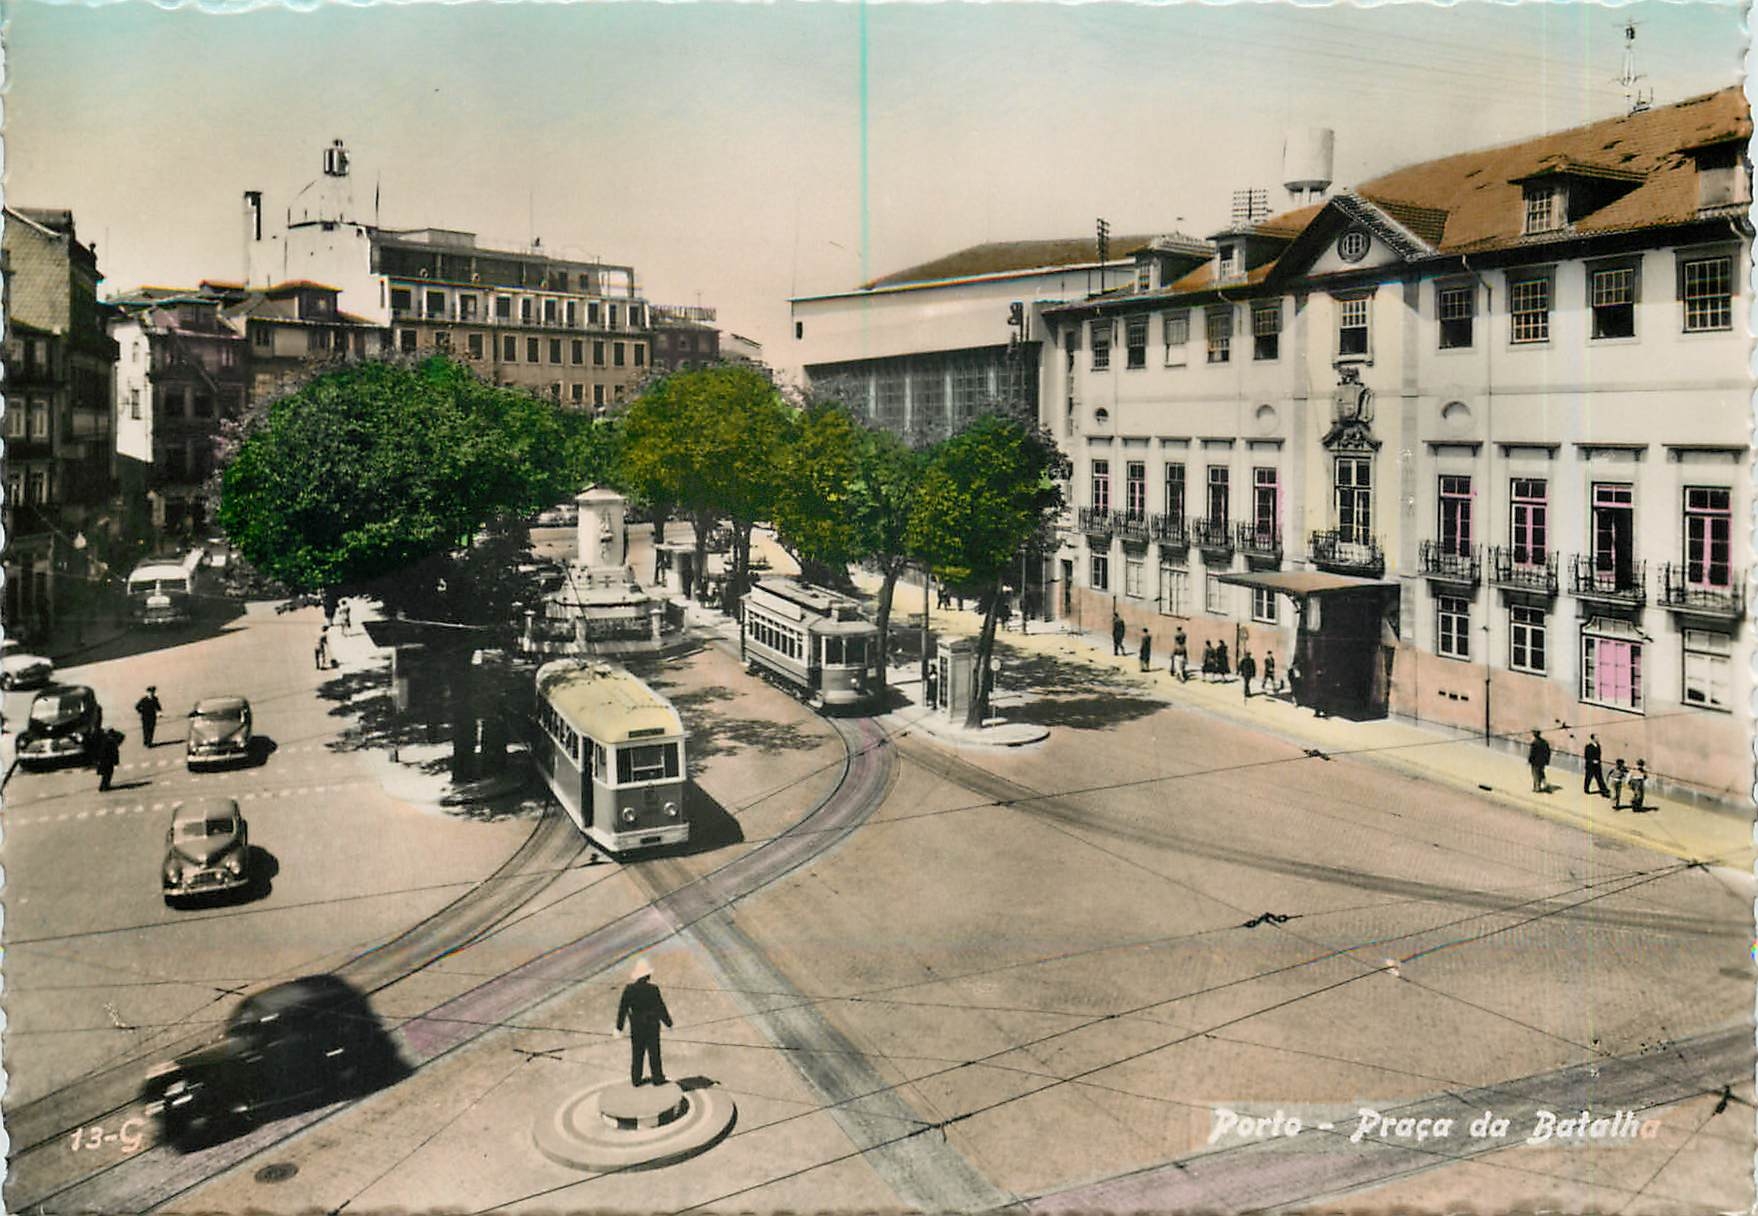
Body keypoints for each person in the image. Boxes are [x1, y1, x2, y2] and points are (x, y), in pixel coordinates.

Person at [616, 958, 673, 1087]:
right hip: (652, 1025)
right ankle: (657, 1077)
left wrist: (619, 1028)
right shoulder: (653, 989)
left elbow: (623, 1009)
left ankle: (636, 1079)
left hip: (636, 1026)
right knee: (654, 1052)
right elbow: (660, 1007)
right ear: (647, 975)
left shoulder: (629, 989)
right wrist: (668, 1023)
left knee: (637, 1053)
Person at [1582, 733, 1610, 797]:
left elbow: (1599, 756)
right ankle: (1586, 789)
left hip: (1597, 766)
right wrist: (1592, 761)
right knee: (1588, 778)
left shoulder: (1598, 746)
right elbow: (1586, 756)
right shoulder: (1588, 746)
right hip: (1590, 766)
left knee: (1600, 778)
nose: (1598, 739)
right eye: (1596, 738)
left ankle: (1604, 790)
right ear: (1593, 739)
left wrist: (1599, 762)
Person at [1527, 729, 1551, 793]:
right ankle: (1543, 786)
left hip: (1535, 762)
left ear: (1534, 734)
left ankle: (1537, 788)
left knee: (1535, 774)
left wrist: (1529, 760)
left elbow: (1532, 753)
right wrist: (1547, 761)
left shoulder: (1534, 743)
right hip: (1542, 761)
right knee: (1541, 773)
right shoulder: (1545, 742)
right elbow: (1548, 752)